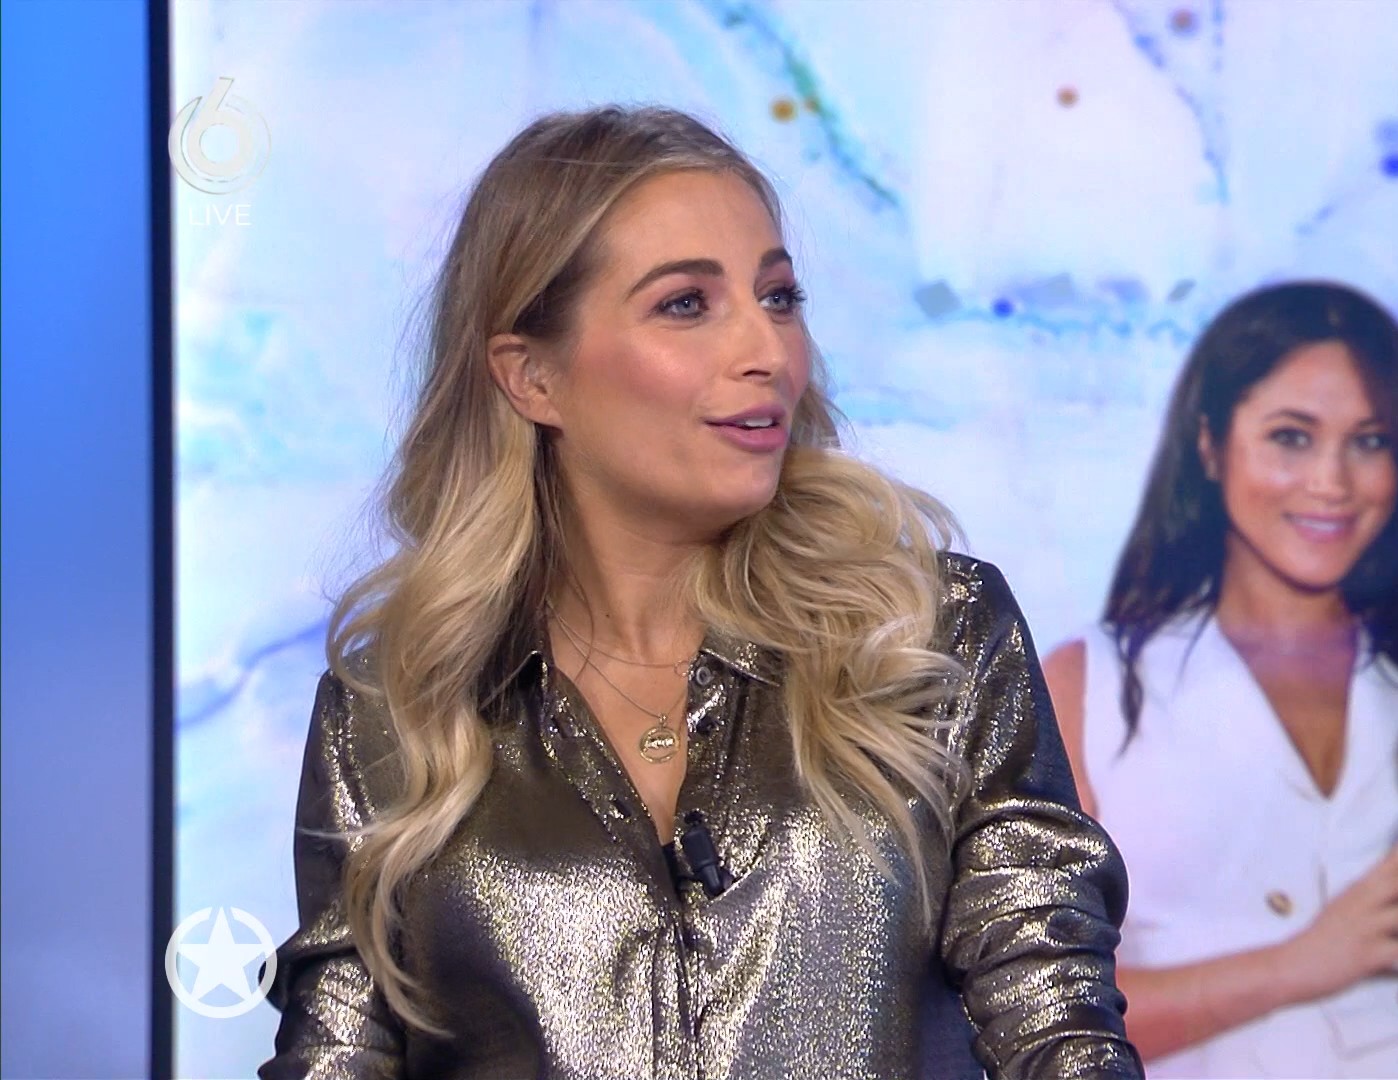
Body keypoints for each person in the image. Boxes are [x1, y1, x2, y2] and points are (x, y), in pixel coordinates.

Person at [260, 105, 1142, 1080]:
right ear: (532, 378)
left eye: (779, 296)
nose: (767, 350)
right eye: (687, 304)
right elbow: (335, 1058)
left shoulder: (929, 635)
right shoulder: (398, 707)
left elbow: (1055, 1022)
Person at [1041, 281, 1398, 1078]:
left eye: (1370, 441)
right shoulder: (1089, 686)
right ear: (1210, 445)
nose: (1332, 481)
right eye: (1291, 437)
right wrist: (1301, 962)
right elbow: (1046, 1011)